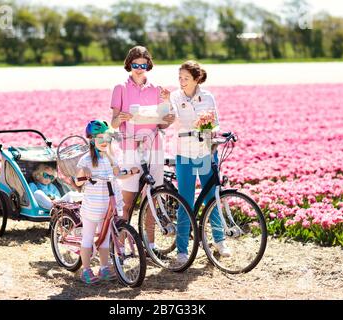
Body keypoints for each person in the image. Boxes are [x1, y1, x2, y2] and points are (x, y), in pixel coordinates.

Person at [110, 46, 175, 251]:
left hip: (155, 146)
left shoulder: (157, 89)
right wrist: (119, 118)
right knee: (127, 200)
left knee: (153, 197)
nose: (139, 68)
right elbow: (112, 123)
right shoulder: (120, 88)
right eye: (135, 65)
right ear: (129, 65)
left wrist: (169, 117)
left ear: (148, 65)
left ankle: (151, 244)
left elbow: (162, 123)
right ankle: (119, 246)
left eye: (143, 65)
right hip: (131, 146)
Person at [170, 60, 231, 263]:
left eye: (186, 78)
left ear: (196, 79)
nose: (181, 81)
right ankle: (182, 250)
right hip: (185, 154)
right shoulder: (175, 97)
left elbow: (216, 123)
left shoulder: (207, 97)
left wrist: (211, 129)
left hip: (205, 152)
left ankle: (219, 241)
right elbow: (174, 122)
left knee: (210, 198)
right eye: (179, 78)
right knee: (185, 200)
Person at [76, 120, 137, 284]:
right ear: (91, 140)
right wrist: (84, 173)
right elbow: (78, 181)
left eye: (107, 138)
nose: (104, 141)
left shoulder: (110, 158)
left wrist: (130, 172)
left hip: (109, 205)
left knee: (105, 238)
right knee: (88, 237)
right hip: (93, 206)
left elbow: (119, 174)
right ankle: (86, 270)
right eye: (100, 138)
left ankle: (104, 267)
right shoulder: (86, 159)